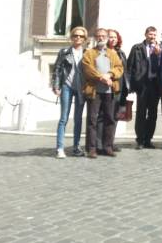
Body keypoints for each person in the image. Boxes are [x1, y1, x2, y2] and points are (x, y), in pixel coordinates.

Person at [82, 28, 124, 158]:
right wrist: (101, 77)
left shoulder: (112, 53)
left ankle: (107, 147)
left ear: (106, 38)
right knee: (92, 120)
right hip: (94, 91)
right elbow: (87, 69)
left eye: (103, 36)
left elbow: (119, 68)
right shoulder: (89, 53)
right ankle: (92, 148)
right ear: (95, 38)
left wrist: (110, 74)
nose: (101, 38)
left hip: (109, 91)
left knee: (109, 119)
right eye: (98, 36)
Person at [52, 26, 88, 159]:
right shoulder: (64, 52)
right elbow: (57, 69)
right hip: (66, 86)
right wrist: (56, 86)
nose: (78, 38)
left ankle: (76, 147)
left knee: (78, 119)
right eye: (75, 35)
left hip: (81, 88)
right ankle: (60, 148)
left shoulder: (87, 52)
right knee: (63, 118)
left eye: (81, 36)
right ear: (71, 37)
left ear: (84, 39)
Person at [127, 26, 161, 149]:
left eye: (154, 35)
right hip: (142, 85)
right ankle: (140, 140)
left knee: (153, 114)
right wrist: (130, 85)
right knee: (141, 113)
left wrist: (159, 55)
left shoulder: (160, 48)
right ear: (145, 34)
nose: (152, 37)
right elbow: (130, 66)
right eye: (150, 34)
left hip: (155, 85)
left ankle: (148, 139)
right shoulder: (137, 48)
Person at [96, 29, 129, 154]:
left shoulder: (121, 53)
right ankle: (99, 145)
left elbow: (125, 70)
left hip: (119, 88)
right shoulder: (102, 52)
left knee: (114, 116)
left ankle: (109, 143)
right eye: (110, 37)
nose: (113, 39)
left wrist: (128, 87)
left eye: (115, 37)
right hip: (107, 87)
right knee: (103, 116)